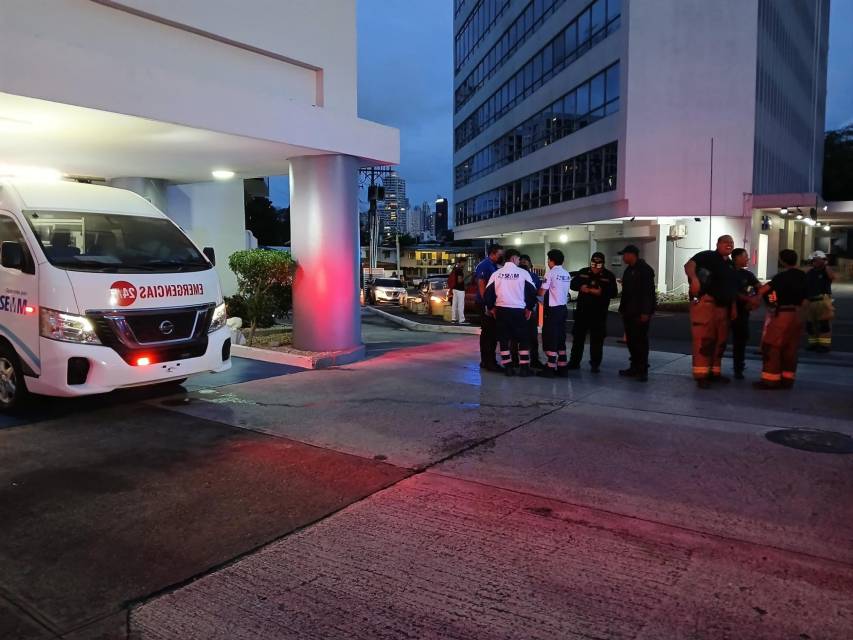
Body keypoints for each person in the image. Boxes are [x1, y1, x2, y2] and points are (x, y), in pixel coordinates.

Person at [684, 235, 738, 389]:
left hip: (723, 308)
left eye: (731, 242)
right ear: (718, 244)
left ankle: (715, 373)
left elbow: (732, 288)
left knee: (720, 342)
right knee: (704, 341)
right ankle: (701, 375)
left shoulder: (730, 265)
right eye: (725, 242)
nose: (729, 244)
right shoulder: (707, 256)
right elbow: (689, 265)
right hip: (705, 304)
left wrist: (733, 307)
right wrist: (694, 279)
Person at [753, 249, 808, 390]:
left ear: (782, 261)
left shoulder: (780, 277)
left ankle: (770, 380)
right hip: (798, 314)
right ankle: (787, 379)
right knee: (791, 348)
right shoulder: (803, 276)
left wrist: (769, 302)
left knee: (771, 346)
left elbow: (764, 291)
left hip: (783, 314)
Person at [484, 248, 538, 377]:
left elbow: (488, 294)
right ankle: (524, 368)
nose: (520, 261)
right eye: (519, 259)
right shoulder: (523, 273)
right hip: (519, 311)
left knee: (504, 340)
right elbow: (532, 292)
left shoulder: (496, 274)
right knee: (523, 339)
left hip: (502, 311)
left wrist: (492, 308)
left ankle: (508, 367)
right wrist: (529, 308)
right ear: (514, 258)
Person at [568, 251, 617, 373]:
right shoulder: (583, 272)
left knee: (597, 340)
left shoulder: (608, 276)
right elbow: (573, 284)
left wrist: (601, 293)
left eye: (598, 265)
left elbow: (614, 293)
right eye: (593, 264)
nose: (595, 268)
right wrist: (581, 287)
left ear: (603, 264)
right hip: (582, 313)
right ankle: (574, 362)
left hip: (598, 314)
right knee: (578, 339)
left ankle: (595, 364)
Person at [617, 245, 656, 382]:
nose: (623, 258)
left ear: (631, 255)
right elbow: (626, 293)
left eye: (624, 255)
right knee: (632, 341)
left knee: (640, 341)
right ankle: (634, 367)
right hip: (629, 312)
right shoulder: (629, 270)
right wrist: (622, 309)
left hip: (639, 313)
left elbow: (648, 293)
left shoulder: (644, 270)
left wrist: (646, 312)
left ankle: (642, 369)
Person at [536, 249, 572, 378]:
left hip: (552, 310)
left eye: (548, 260)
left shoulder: (550, 274)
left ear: (552, 260)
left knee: (551, 337)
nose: (547, 262)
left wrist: (535, 292)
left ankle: (550, 367)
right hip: (563, 309)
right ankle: (563, 367)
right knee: (561, 337)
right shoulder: (566, 274)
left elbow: (541, 292)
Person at [729, 248, 760, 379]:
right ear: (736, 258)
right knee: (718, 339)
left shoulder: (747, 274)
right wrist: (748, 298)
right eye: (745, 256)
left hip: (742, 312)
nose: (747, 258)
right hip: (725, 311)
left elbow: (759, 287)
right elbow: (731, 292)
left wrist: (756, 299)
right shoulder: (727, 273)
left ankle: (738, 368)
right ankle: (713, 368)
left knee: (741, 340)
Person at [475, 244, 503, 371]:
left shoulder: (492, 265)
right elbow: (482, 285)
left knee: (490, 334)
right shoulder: (484, 265)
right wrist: (488, 304)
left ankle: (488, 361)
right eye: (499, 254)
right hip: (485, 304)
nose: (500, 256)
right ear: (493, 253)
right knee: (489, 334)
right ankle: (488, 362)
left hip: (489, 303)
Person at [804, 250, 836, 353]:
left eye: (818, 260)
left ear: (823, 260)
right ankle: (813, 344)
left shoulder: (826, 270)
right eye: (814, 260)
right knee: (810, 325)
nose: (815, 262)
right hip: (810, 301)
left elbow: (832, 277)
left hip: (823, 300)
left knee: (824, 324)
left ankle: (824, 345)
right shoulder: (810, 272)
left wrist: (825, 265)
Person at [518, 254, 543, 368]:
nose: (523, 262)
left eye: (525, 261)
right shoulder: (515, 275)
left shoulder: (534, 276)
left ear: (530, 263)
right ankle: (515, 360)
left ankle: (534, 360)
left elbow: (539, 292)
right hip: (517, 310)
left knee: (533, 336)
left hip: (531, 310)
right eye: (521, 261)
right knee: (515, 337)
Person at [447, 256, 467, 324]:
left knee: (454, 304)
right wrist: (466, 278)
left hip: (454, 289)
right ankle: (461, 319)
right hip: (460, 289)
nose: (464, 264)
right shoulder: (459, 270)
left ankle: (454, 319)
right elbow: (459, 281)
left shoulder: (454, 269)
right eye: (464, 263)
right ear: (462, 262)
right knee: (461, 304)